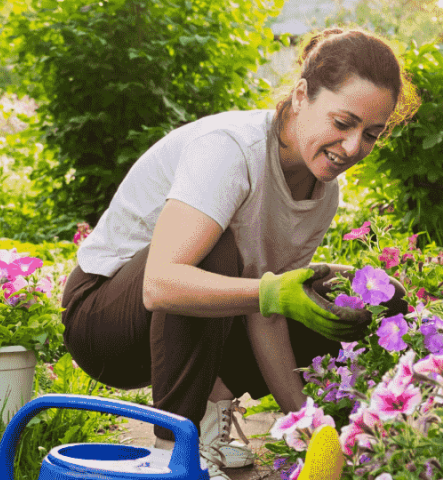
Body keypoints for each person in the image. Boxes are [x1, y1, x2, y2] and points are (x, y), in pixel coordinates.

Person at [61, 27, 419, 480]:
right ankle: (176, 451)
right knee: (217, 252)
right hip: (105, 322)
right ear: (302, 95)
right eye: (343, 123)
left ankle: (216, 411)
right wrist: (271, 292)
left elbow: (263, 305)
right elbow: (161, 284)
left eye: (371, 134)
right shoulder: (231, 150)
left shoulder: (322, 189)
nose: (352, 148)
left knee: (355, 295)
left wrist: (309, 429)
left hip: (185, 331)